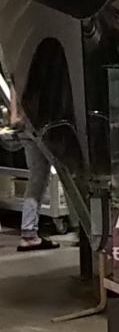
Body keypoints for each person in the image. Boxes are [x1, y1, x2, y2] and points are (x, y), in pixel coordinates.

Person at [9, 86, 58, 252]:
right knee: (68, 173)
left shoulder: (18, 69)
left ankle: (29, 233)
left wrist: (14, 115)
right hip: (45, 123)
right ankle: (88, 228)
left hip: (26, 124)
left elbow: (14, 84)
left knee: (37, 178)